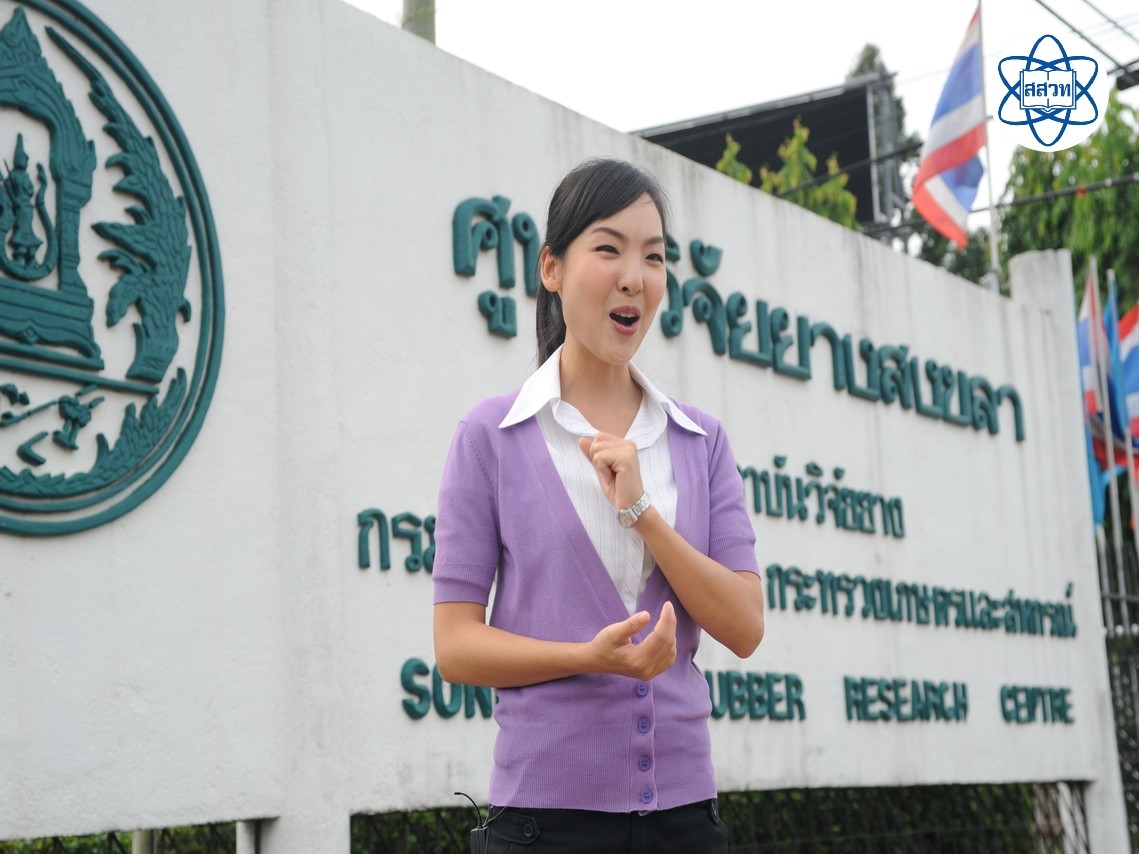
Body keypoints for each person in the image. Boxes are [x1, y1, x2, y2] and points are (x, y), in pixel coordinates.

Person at [432, 157, 765, 853]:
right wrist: (588, 656)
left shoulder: (699, 440)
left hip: (685, 823)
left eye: (654, 257)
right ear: (551, 268)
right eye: (609, 249)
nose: (633, 277)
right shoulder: (490, 437)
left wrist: (642, 512)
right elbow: (456, 646)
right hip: (543, 823)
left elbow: (744, 626)